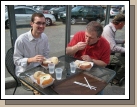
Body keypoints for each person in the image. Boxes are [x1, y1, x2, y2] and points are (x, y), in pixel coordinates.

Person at [13, 13, 49, 77]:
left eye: (43, 23)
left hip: (40, 69)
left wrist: (46, 61)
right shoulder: (21, 40)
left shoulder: (44, 37)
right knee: (40, 86)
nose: (41, 26)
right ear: (31, 23)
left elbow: (46, 54)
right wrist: (31, 60)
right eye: (38, 23)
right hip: (25, 72)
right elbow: (16, 61)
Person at [102, 14, 125, 85]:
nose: (124, 26)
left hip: (107, 53)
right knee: (125, 63)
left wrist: (123, 41)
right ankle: (116, 79)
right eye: (124, 24)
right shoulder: (108, 30)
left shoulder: (110, 28)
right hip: (104, 55)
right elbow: (113, 47)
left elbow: (111, 41)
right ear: (120, 23)